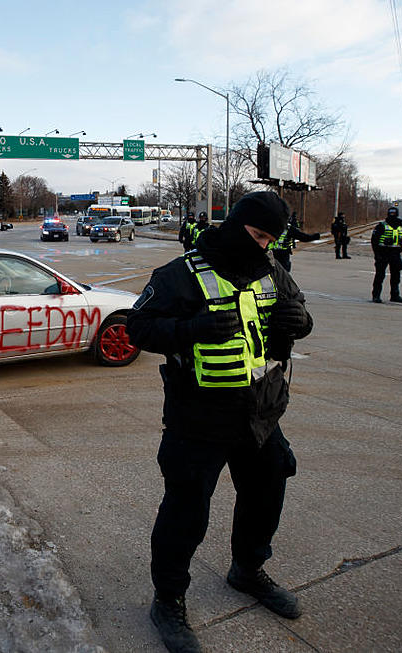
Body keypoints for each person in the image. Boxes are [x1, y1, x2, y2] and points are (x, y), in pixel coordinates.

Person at [127, 191, 313, 653]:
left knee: (266, 494)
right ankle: (168, 600)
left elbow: (301, 313)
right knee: (186, 512)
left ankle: (247, 570)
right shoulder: (179, 275)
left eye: (272, 239)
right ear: (234, 226)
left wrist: (300, 321)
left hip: (262, 417)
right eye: (257, 235)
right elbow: (138, 327)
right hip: (199, 420)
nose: (265, 246)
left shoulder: (272, 269)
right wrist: (189, 330)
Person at [370, 206, 402, 303]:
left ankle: (395, 295)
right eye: (391, 213)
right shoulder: (381, 226)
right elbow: (374, 241)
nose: (392, 215)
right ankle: (376, 295)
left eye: (394, 213)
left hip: (395, 253)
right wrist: (377, 254)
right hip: (383, 253)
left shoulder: (401, 226)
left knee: (396, 276)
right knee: (380, 275)